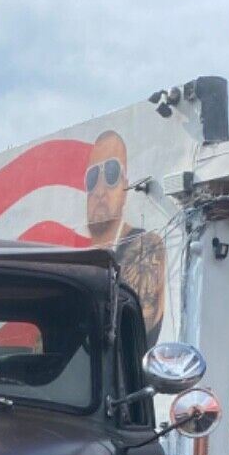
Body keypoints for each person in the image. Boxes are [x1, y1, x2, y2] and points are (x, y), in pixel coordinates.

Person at [84, 131, 167, 342]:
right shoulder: (81, 261)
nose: (100, 190)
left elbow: (134, 329)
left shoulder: (145, 246)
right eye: (93, 178)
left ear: (126, 187)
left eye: (111, 174)